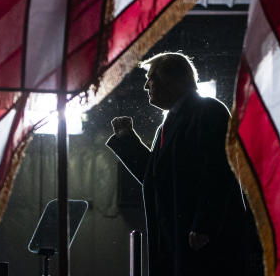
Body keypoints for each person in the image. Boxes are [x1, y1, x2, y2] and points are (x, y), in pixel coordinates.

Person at [106, 51, 248, 275]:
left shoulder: (209, 112)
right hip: (178, 240)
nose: (146, 87)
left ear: (170, 80)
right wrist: (127, 140)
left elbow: (219, 170)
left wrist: (204, 225)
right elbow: (154, 178)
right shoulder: (168, 125)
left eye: (150, 79)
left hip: (203, 243)